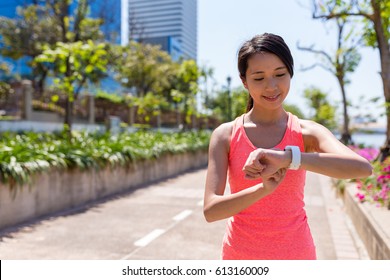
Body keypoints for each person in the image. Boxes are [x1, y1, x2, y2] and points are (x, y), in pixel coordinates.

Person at [203, 33, 373, 260]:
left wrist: (288, 158)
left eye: (280, 74)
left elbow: (362, 168)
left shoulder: (306, 132)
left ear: (290, 73)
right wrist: (262, 189)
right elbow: (211, 210)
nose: (271, 86)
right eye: (259, 78)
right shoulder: (225, 135)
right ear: (244, 81)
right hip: (240, 258)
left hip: (297, 256)